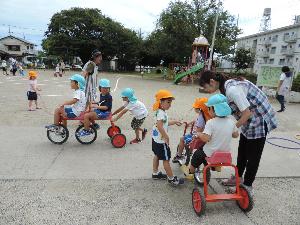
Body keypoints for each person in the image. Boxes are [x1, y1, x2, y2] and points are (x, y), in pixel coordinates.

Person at [198, 70, 277, 193]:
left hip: (259, 119)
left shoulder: (232, 90)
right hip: (248, 121)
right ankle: (238, 178)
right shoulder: (224, 89)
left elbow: (247, 113)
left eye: (205, 87)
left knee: (253, 157)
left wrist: (228, 130)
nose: (206, 90)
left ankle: (247, 186)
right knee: (242, 151)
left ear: (212, 82)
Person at [181, 94, 239, 179]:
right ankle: (216, 166)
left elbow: (206, 138)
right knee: (206, 149)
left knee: (197, 154)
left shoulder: (211, 122)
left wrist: (198, 134)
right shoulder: (231, 122)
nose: (208, 110)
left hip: (211, 152)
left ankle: (190, 172)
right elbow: (235, 135)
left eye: (209, 108)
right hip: (225, 152)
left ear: (213, 109)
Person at [151, 89, 184, 186]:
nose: (170, 104)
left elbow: (165, 123)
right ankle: (171, 179)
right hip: (161, 141)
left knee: (157, 155)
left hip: (156, 139)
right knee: (166, 160)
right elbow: (160, 126)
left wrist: (175, 121)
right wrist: (166, 137)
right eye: (168, 102)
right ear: (160, 102)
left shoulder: (160, 111)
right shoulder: (161, 113)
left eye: (171, 102)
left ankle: (155, 173)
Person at [172, 97, 211, 163]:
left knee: (182, 139)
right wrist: (191, 123)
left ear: (199, 109)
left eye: (195, 107)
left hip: (197, 138)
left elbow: (199, 130)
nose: (194, 108)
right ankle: (189, 152)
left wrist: (195, 133)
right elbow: (197, 121)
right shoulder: (206, 114)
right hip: (204, 136)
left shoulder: (201, 117)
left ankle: (178, 156)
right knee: (188, 138)